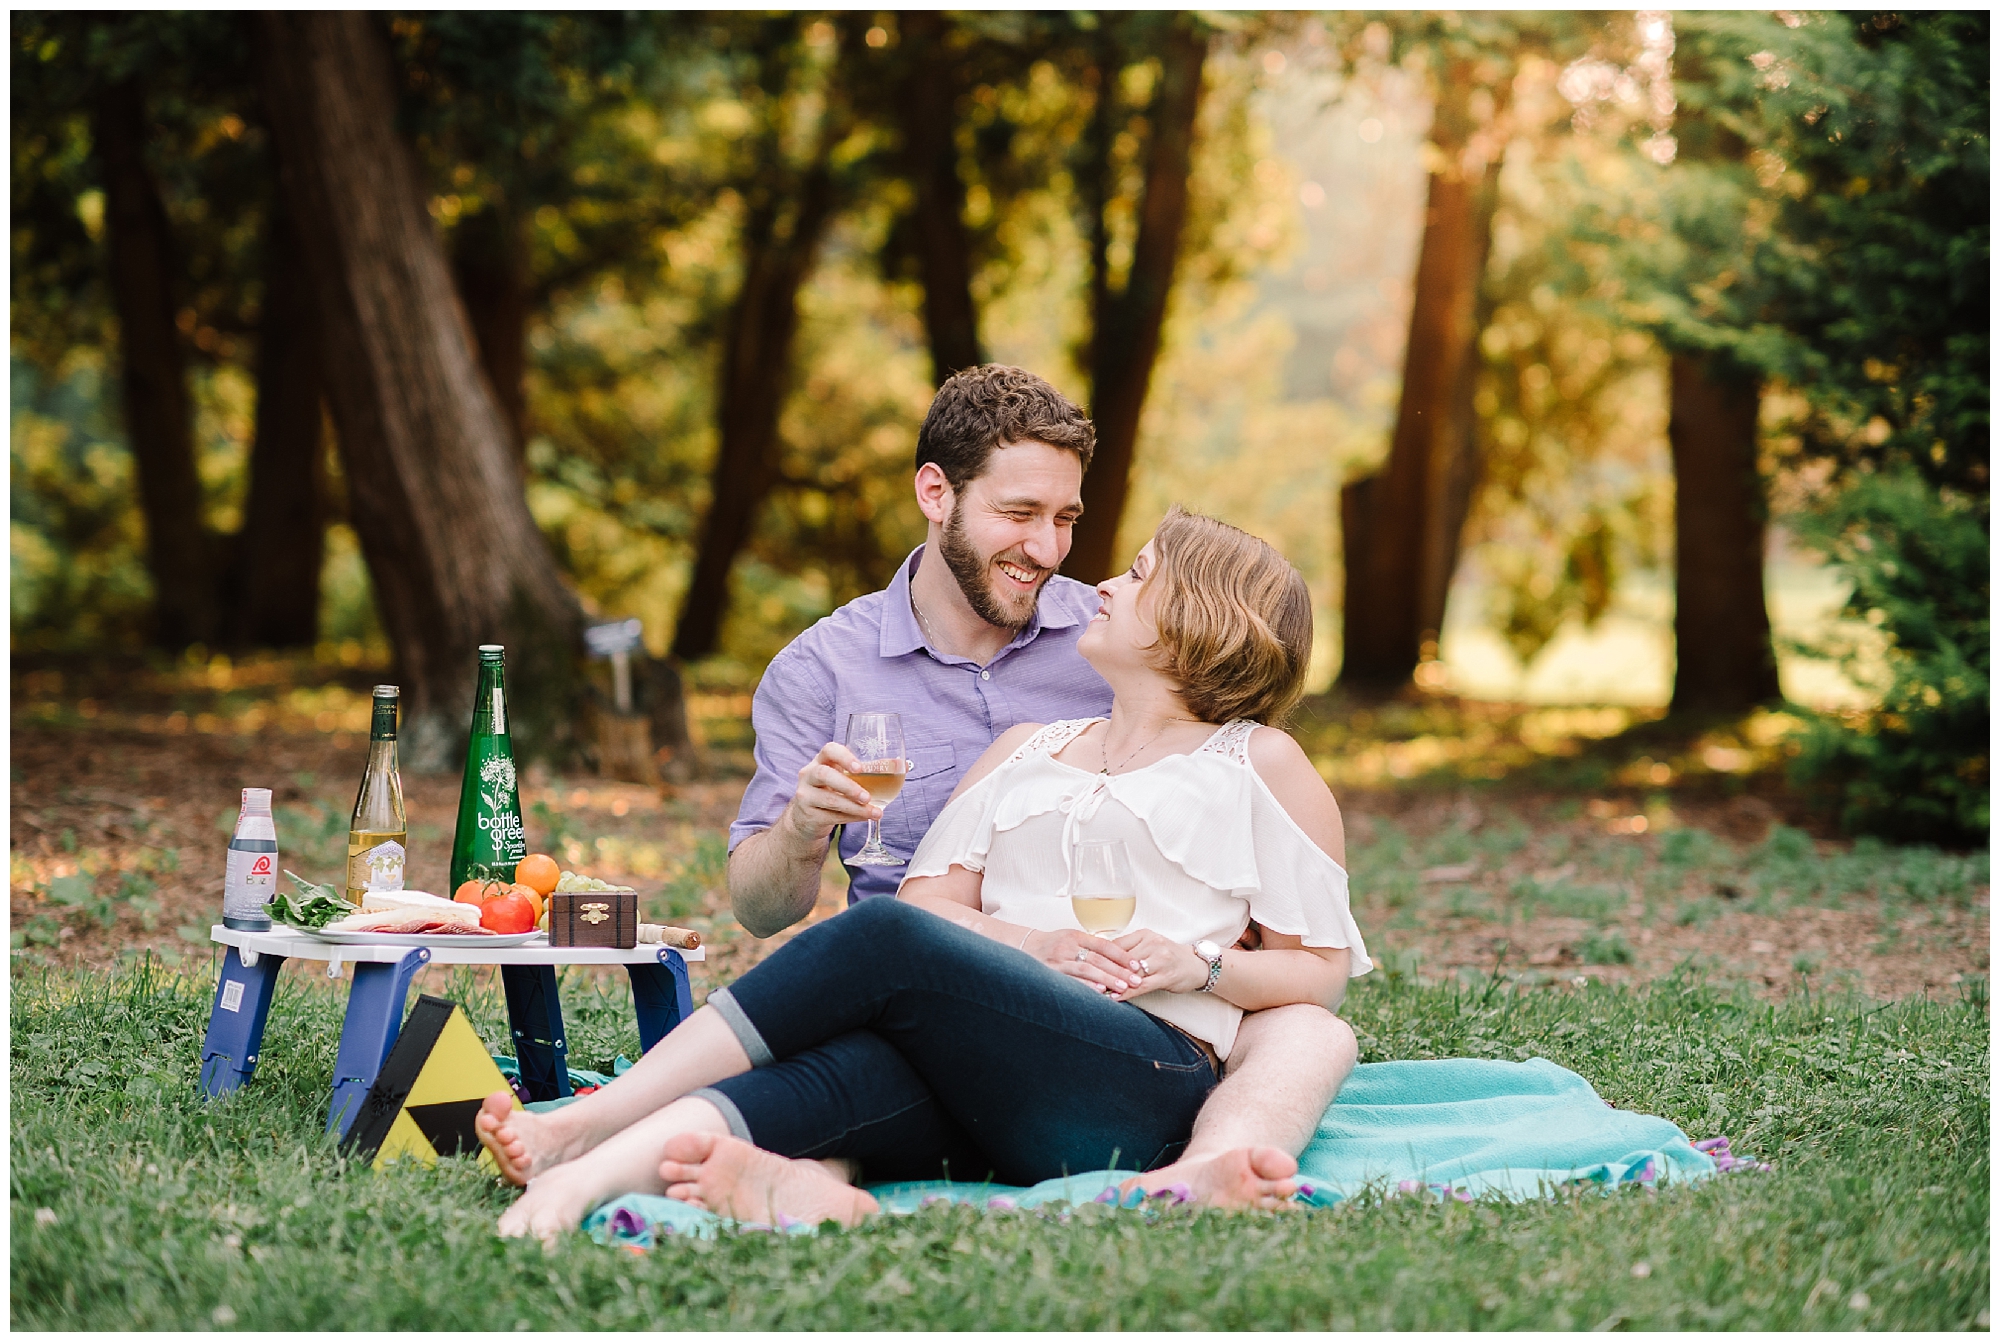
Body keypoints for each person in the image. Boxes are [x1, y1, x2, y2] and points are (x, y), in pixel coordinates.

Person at [476, 507, 1371, 1239]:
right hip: (992, 1075)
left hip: (1137, 1073)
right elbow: (932, 906)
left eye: (1138, 575)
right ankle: (580, 1176)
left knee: (877, 936)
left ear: (1204, 617)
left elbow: (1318, 973)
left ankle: (593, 1117)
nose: (1103, 583)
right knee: (836, 1075)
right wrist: (1036, 945)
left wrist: (1199, 967)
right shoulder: (1028, 749)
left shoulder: (1258, 763)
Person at [722, 365, 1358, 1206]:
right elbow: (759, 908)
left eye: (1066, 519)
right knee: (856, 1064)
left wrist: (1210, 953)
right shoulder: (822, 668)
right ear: (936, 493)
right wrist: (803, 827)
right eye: (1020, 514)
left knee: (1308, 1032)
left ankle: (1210, 1162)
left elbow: (1226, 780)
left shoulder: (1120, 640)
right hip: (909, 978)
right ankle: (809, 1176)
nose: (1050, 551)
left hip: (1113, 1013)